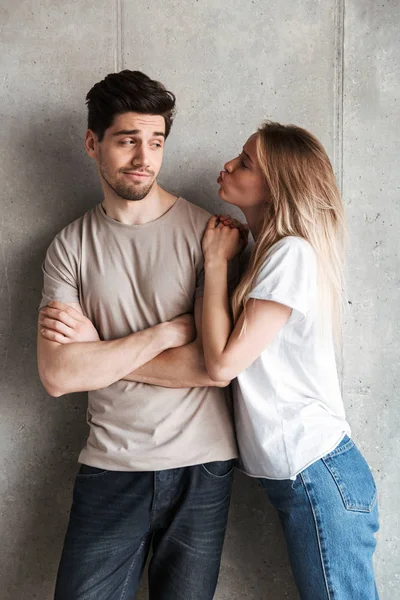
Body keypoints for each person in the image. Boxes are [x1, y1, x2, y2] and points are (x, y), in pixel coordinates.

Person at [37, 69, 237, 600]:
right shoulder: (69, 247)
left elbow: (210, 366)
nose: (144, 157)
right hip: (111, 463)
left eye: (156, 141)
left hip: (202, 466)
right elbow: (58, 375)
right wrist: (169, 331)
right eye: (127, 141)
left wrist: (97, 351)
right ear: (92, 143)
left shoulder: (208, 236)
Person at [201, 121, 379, 599]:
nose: (229, 166)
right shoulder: (266, 253)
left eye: (245, 162)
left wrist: (216, 263)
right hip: (308, 477)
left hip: (318, 472)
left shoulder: (291, 254)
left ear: (276, 185)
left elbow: (221, 365)